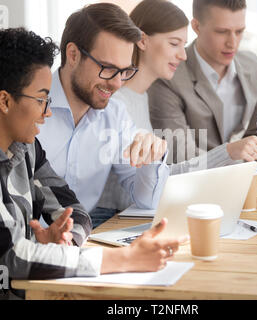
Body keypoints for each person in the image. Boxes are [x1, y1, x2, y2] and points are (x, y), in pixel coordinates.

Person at [0, 28, 185, 300]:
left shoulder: (26, 147)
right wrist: (124, 259)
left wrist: (63, 242)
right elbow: (12, 256)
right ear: (4, 101)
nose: (48, 111)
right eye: (41, 99)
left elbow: (76, 212)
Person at [98, 0, 257, 212]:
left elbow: (164, 174)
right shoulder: (118, 104)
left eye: (183, 44)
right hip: (115, 218)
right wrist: (229, 153)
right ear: (143, 41)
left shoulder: (142, 98)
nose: (183, 55)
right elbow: (157, 178)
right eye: (174, 44)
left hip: (144, 212)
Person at [37, 3, 170, 228]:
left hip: (87, 238)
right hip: (34, 243)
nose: (117, 83)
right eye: (107, 68)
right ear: (73, 55)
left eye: (125, 71)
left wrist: (151, 157)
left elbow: (146, 200)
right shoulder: (31, 106)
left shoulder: (115, 114)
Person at [148, 0, 257, 184]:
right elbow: (180, 156)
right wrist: (249, 175)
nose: (232, 43)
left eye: (239, 31)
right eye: (222, 32)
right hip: (193, 190)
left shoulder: (252, 66)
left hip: (248, 188)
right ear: (196, 26)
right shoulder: (168, 76)